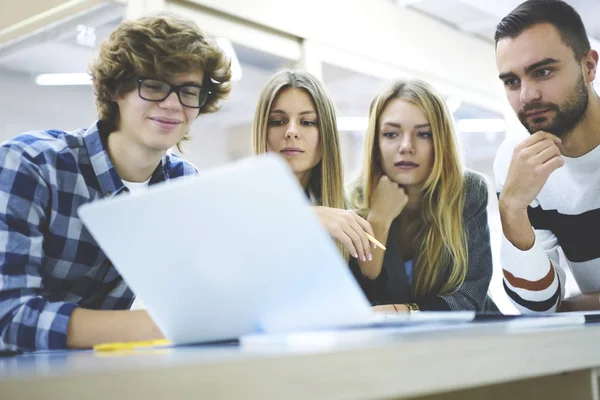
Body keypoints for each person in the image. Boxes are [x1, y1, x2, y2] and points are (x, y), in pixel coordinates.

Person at [0, 14, 232, 350]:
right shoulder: (31, 164)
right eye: (153, 86)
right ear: (117, 90)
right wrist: (161, 325)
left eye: (188, 91)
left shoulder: (184, 185)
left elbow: (196, 297)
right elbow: (10, 315)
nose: (172, 104)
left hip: (99, 377)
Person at [348, 79, 493, 312]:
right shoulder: (351, 199)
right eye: (391, 134)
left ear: (441, 141)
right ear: (376, 141)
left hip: (464, 339)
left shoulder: (468, 192)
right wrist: (378, 220)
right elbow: (357, 298)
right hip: (384, 345)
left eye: (424, 134)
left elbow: (470, 296)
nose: (406, 146)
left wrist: (407, 312)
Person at [494, 0, 600, 312]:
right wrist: (512, 209)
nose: (527, 95)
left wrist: (570, 306)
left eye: (542, 71)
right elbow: (538, 309)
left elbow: (557, 310)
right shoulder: (516, 161)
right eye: (512, 81)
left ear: (589, 66)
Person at [252, 69, 375, 262]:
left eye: (307, 122)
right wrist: (304, 217)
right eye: (278, 121)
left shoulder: (346, 214)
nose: (291, 132)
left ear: (326, 134)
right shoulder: (242, 208)